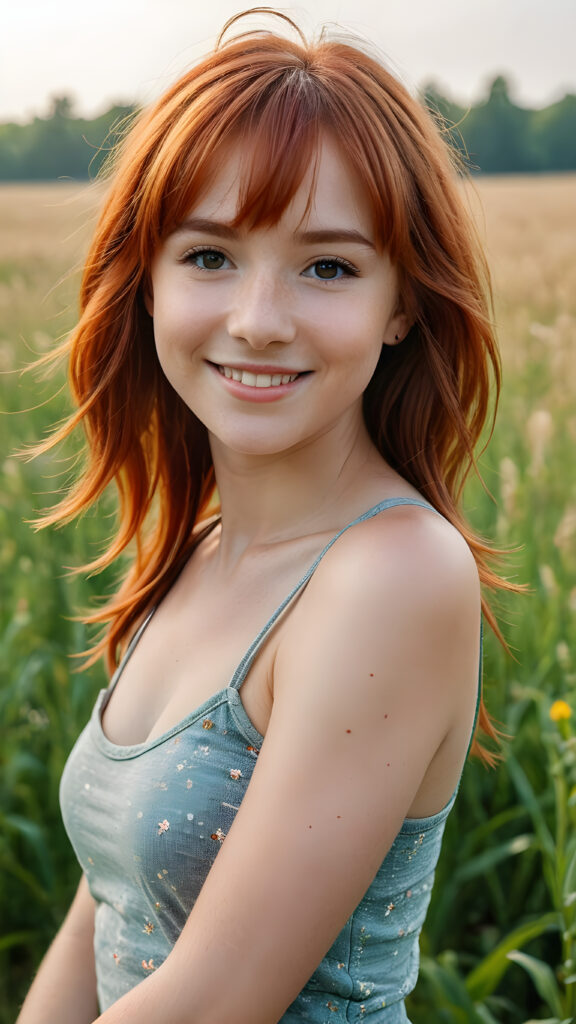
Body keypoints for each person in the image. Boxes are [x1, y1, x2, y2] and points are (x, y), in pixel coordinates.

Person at [18, 9, 510, 1023]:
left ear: (401, 303)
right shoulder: (198, 552)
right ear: (147, 280)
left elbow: (209, 1003)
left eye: (328, 266)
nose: (258, 318)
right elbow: (100, 918)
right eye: (209, 256)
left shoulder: (394, 574)